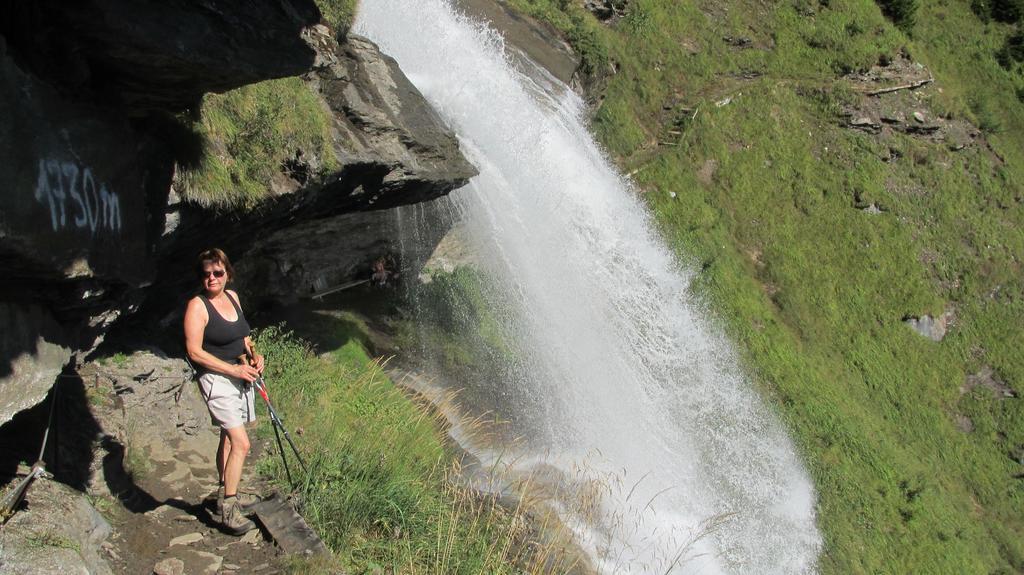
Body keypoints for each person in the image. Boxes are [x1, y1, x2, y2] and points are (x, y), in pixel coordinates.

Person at [183, 248, 264, 534]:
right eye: (206, 274)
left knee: (229, 439)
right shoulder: (197, 306)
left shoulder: (233, 297)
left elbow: (244, 335)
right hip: (216, 379)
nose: (212, 278)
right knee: (242, 443)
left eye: (218, 273)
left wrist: (254, 355)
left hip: (240, 374)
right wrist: (233, 370)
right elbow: (194, 351)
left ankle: (224, 491)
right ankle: (229, 508)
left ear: (228, 273)